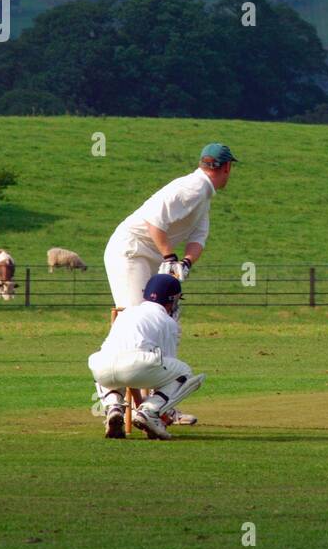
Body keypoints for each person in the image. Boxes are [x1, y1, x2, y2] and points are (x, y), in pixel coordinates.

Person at [103, 142, 237, 310]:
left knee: (157, 316)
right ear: (227, 167)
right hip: (132, 250)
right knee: (135, 317)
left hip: (151, 256)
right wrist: (170, 258)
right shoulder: (194, 187)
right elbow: (154, 220)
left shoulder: (204, 194)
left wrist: (185, 263)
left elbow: (198, 238)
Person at [88, 274, 206, 439]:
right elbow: (163, 371)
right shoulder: (167, 322)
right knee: (184, 372)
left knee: (111, 366)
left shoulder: (127, 313)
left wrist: (139, 404)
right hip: (137, 366)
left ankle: (113, 407)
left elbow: (129, 372)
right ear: (172, 299)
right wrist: (155, 408)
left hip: (100, 366)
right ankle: (150, 412)